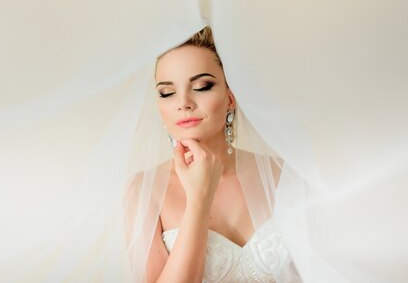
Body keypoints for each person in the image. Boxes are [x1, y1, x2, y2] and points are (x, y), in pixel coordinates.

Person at [126, 26, 299, 282]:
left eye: (202, 86)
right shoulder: (145, 189)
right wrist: (199, 199)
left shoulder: (285, 174)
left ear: (230, 98)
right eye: (167, 92)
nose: (183, 102)